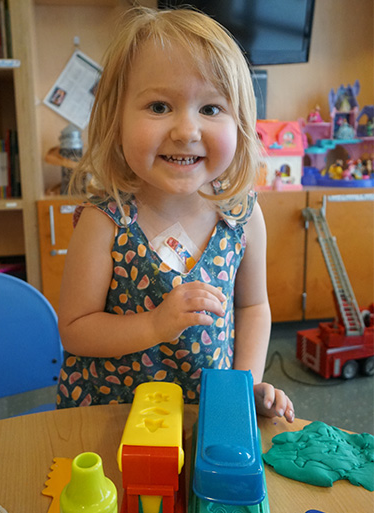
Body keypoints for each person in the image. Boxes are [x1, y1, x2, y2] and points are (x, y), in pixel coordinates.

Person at [57, 6, 295, 423]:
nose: (186, 131)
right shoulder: (105, 220)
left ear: (240, 123)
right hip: (111, 419)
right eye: (159, 106)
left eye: (211, 109)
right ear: (116, 119)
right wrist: (154, 325)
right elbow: (75, 329)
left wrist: (243, 387)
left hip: (205, 418)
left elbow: (253, 308)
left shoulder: (241, 216)